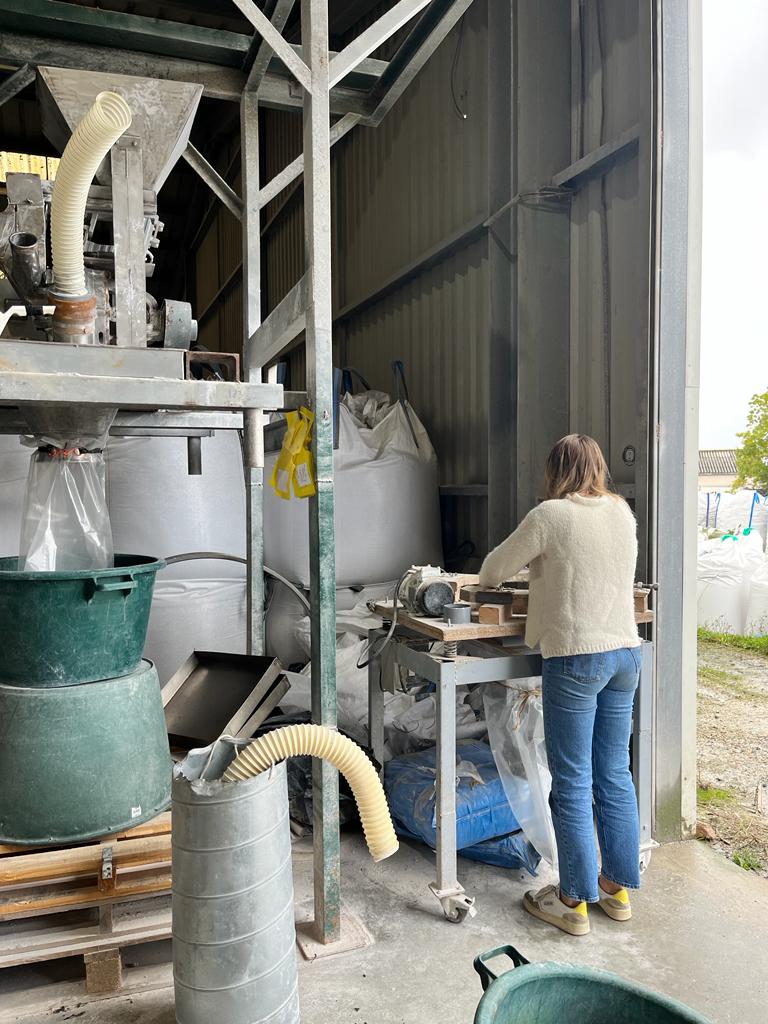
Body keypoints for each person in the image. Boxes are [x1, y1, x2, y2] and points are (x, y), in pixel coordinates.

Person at [478, 433, 641, 936]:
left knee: (571, 781)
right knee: (614, 774)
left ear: (555, 471)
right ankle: (616, 890)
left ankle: (572, 900)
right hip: (626, 655)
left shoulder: (551, 515)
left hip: (577, 656)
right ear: (598, 467)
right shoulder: (622, 512)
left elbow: (491, 571)